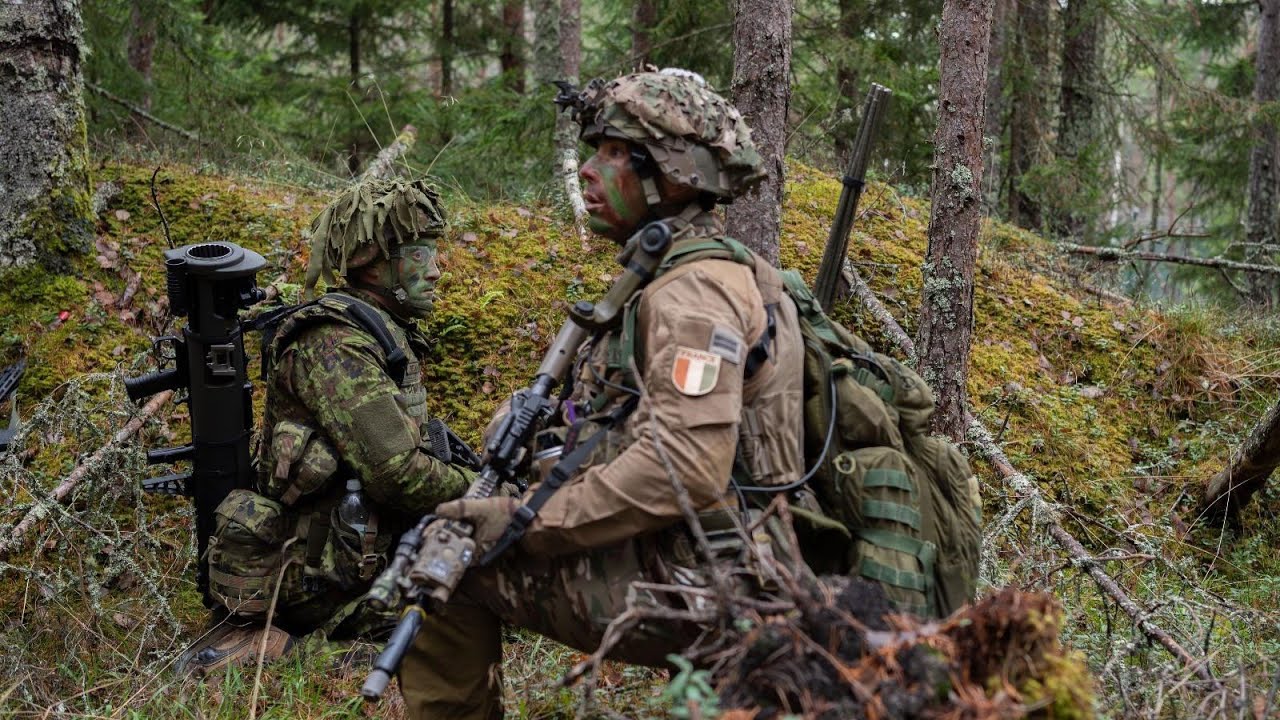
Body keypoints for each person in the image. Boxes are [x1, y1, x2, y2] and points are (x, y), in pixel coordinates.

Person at [398, 69, 807, 720]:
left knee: (446, 564)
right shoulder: (699, 273)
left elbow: (688, 468)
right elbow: (637, 419)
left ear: (669, 174)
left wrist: (529, 521)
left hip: (717, 584)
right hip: (715, 556)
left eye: (613, 152)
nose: (590, 170)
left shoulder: (691, 294)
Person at [181, 177, 476, 674]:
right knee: (464, 627)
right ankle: (287, 651)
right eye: (421, 254)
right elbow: (397, 471)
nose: (438, 271)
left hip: (360, 551)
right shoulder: (335, 343)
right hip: (317, 575)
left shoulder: (380, 331)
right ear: (374, 262)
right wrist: (491, 497)